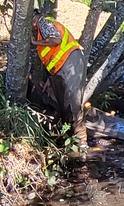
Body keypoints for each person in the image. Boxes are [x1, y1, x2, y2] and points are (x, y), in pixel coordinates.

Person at [31, 10, 88, 149]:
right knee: (59, 103)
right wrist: (50, 81)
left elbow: (56, 40)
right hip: (60, 68)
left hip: (71, 63)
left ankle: (82, 142)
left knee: (74, 104)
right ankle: (66, 140)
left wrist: (34, 42)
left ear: (33, 20)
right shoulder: (41, 28)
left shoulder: (44, 23)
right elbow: (52, 57)